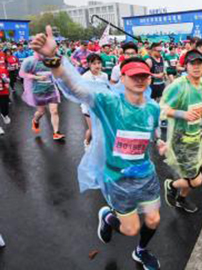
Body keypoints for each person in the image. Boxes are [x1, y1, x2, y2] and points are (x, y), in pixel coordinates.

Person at [30, 26, 164, 270]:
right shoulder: (109, 101)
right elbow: (77, 88)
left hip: (146, 175)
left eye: (144, 75)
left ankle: (141, 251)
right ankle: (108, 217)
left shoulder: (153, 108)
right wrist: (53, 60)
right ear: (122, 78)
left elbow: (152, 132)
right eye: (133, 75)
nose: (140, 79)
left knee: (153, 219)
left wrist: (161, 141)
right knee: (131, 227)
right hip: (118, 178)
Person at [161, 50, 202, 214]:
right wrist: (182, 114)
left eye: (200, 63)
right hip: (180, 139)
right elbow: (162, 108)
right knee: (196, 180)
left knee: (193, 174)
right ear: (185, 66)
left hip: (196, 137)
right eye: (192, 63)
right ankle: (171, 185)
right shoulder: (179, 85)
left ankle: (181, 199)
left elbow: (200, 110)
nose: (196, 67)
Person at [19, 48, 64, 140]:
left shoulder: (51, 60)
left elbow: (58, 72)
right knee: (41, 112)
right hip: (37, 90)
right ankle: (35, 120)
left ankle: (56, 133)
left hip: (51, 89)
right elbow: (22, 74)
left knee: (54, 111)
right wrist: (36, 77)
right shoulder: (30, 61)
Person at [81, 53, 109, 148]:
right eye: (94, 63)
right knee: (93, 130)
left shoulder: (104, 75)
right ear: (89, 64)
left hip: (101, 106)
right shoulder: (85, 77)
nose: (97, 65)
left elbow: (105, 90)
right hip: (88, 107)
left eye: (99, 63)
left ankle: (101, 149)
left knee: (101, 129)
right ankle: (87, 143)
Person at [0, 63, 11, 135]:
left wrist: (6, 81)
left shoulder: (2, 70)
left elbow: (8, 81)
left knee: (4, 108)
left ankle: (4, 114)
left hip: (3, 93)